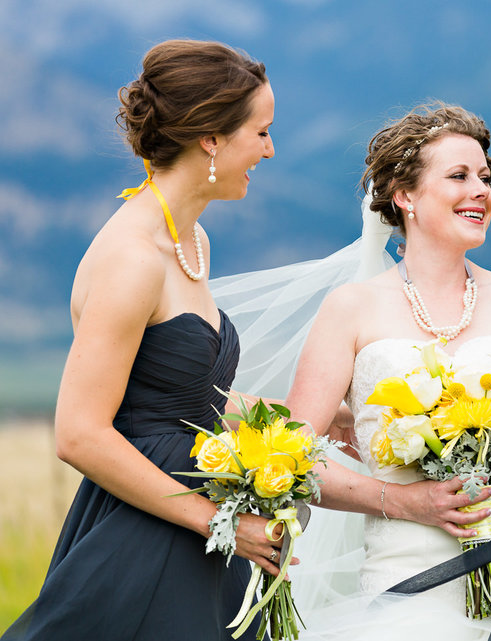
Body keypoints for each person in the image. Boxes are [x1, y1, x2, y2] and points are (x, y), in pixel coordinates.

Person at [272, 103, 491, 640]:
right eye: (458, 176)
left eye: (485, 177)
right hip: (410, 576)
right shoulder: (350, 309)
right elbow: (290, 462)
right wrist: (402, 501)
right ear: (405, 196)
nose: (481, 190)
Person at [2, 40, 282, 641]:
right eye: (260, 132)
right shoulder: (132, 259)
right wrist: (216, 523)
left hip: (199, 528)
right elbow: (79, 433)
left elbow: (180, 398)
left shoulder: (192, 241)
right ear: (211, 137)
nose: (268, 149)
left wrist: (285, 427)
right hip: (150, 533)